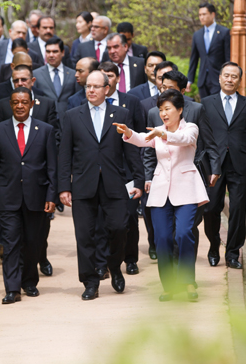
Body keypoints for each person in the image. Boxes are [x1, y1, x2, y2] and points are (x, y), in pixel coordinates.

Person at [115, 89, 209, 302]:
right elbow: (141, 139)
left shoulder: (191, 128)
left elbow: (184, 139)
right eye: (160, 110)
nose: (163, 114)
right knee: (163, 238)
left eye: (167, 109)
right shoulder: (157, 130)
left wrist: (163, 134)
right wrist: (128, 132)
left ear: (180, 109)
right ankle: (168, 286)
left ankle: (187, 281)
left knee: (184, 233)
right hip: (160, 191)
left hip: (186, 190)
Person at [58, 71, 144, 300]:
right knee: (85, 235)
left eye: (96, 86)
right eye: (88, 86)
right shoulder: (72, 116)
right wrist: (64, 186)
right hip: (83, 185)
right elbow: (64, 154)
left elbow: (132, 149)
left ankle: (114, 266)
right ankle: (90, 281)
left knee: (118, 228)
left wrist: (139, 180)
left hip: (114, 183)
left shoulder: (121, 114)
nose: (91, 90)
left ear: (107, 89)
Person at [0, 87, 58, 304]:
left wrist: (51, 196)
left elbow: (52, 167)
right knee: (11, 243)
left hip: (37, 197)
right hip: (8, 197)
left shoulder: (45, 130)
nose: (20, 106)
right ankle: (12, 289)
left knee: (33, 242)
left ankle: (29, 281)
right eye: (15, 102)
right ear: (10, 104)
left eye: (24, 102)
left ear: (31, 104)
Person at [143, 70, 220, 260]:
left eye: (170, 89)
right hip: (163, 183)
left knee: (185, 230)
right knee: (164, 235)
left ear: (182, 92)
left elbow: (206, 141)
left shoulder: (196, 111)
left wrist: (215, 168)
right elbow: (146, 146)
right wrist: (148, 175)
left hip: (191, 178)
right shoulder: (155, 114)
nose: (164, 91)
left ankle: (185, 276)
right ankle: (171, 279)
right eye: (163, 87)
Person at [201, 62, 246, 269]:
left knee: (238, 209)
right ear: (219, 78)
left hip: (239, 163)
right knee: (210, 208)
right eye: (226, 75)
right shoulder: (207, 103)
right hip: (213, 165)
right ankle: (213, 245)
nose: (229, 79)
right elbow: (202, 135)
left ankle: (233, 253)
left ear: (239, 80)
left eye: (234, 76)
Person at [97, 61, 146, 276]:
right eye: (102, 75)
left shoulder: (132, 102)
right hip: (100, 173)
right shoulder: (88, 104)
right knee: (103, 221)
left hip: (125, 171)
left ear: (117, 78)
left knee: (128, 218)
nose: (107, 79)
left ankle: (131, 258)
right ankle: (105, 261)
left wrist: (139, 177)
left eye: (110, 75)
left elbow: (139, 139)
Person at [187, 3, 231, 100]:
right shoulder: (197, 35)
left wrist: (228, 77)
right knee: (205, 109)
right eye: (200, 15)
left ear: (212, 14)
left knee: (217, 109)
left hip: (218, 79)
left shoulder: (224, 32)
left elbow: (228, 57)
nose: (201, 17)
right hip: (203, 80)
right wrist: (190, 80)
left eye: (204, 14)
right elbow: (193, 59)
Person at [32, 36, 80, 119]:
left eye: (55, 51)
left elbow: (77, 98)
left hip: (68, 119)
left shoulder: (73, 74)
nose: (51, 55)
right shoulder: (36, 74)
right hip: (45, 120)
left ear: (62, 53)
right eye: (48, 51)